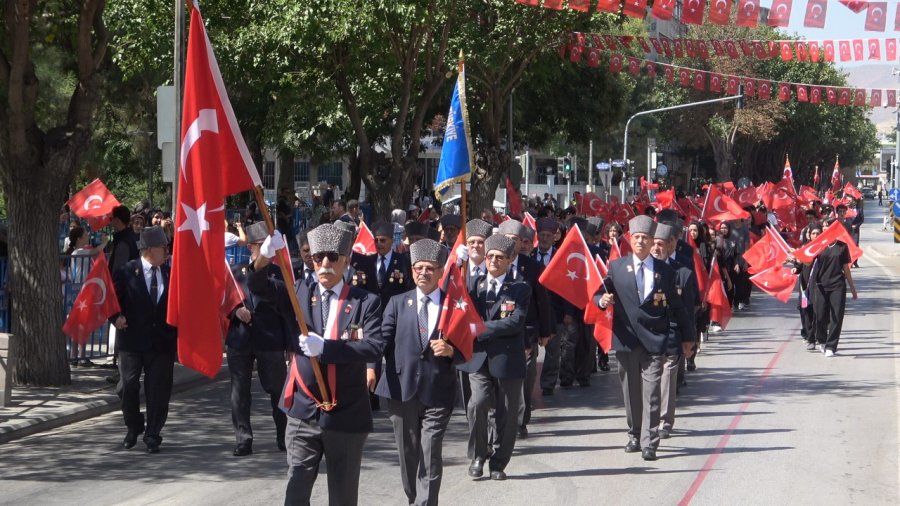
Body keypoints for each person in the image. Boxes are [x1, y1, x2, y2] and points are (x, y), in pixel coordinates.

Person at [248, 224, 385, 506]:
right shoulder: (298, 292)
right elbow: (257, 285)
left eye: (332, 257)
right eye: (318, 257)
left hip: (346, 413)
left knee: (343, 497)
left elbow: (373, 346)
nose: (324, 264)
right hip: (303, 411)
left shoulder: (365, 302)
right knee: (295, 493)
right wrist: (264, 255)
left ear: (346, 260)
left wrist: (326, 348)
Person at [595, 215, 693, 461]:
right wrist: (601, 300)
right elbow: (600, 291)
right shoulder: (617, 267)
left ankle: (651, 442)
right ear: (630, 239)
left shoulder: (665, 271)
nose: (640, 241)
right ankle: (635, 434)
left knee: (651, 392)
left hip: (654, 340)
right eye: (636, 237)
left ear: (652, 242)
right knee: (631, 392)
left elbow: (678, 306)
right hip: (626, 340)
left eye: (645, 238)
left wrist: (689, 337)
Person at [376, 239, 460, 506]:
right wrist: (364, 362)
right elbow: (381, 341)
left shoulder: (454, 304)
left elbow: (471, 346)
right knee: (408, 453)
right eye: (418, 268)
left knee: (430, 450)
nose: (423, 273)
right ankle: (414, 498)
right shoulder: (397, 303)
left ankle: (425, 502)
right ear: (412, 270)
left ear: (440, 271)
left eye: (430, 268)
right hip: (400, 389)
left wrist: (451, 351)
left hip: (438, 389)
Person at [458, 234, 530, 480]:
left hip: (507, 360)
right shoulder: (473, 285)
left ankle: (499, 462)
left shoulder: (520, 287)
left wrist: (481, 329)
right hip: (478, 358)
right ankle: (479, 454)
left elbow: (516, 321)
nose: (493, 261)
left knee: (507, 415)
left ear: (510, 260)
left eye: (500, 257)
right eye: (490, 257)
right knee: (477, 404)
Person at [225, 222, 293, 457]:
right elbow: (223, 302)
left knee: (277, 389)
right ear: (251, 247)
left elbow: (288, 311)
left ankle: (283, 435)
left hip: (270, 338)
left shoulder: (280, 272)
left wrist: (290, 345)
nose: (262, 250)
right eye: (258, 246)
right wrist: (235, 311)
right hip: (240, 339)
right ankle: (243, 439)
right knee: (239, 391)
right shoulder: (235, 272)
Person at [110, 226, 177, 454]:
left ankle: (152, 434)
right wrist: (115, 318)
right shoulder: (126, 271)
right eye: (162, 247)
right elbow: (112, 301)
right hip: (132, 339)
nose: (166, 251)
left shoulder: (171, 273)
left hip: (162, 341)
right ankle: (134, 425)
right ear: (148, 249)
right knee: (127, 386)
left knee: (158, 391)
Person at [498, 220, 553, 439]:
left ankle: (521, 420)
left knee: (525, 379)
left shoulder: (531, 267)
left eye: (518, 241)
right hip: (499, 333)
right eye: (509, 240)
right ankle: (503, 419)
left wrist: (545, 332)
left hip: (527, 332)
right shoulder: (491, 263)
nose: (513, 244)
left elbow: (542, 301)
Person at [650, 223, 697, 439]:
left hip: (671, 333)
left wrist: (689, 339)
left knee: (668, 377)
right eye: (654, 243)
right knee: (650, 379)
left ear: (671, 244)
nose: (656, 248)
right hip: (647, 334)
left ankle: (664, 422)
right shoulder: (640, 269)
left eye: (661, 244)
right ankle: (647, 420)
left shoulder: (684, 272)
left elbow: (688, 309)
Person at [798, 218, 859, 357]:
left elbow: (846, 269)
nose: (825, 229)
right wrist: (799, 257)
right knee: (820, 316)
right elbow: (808, 263)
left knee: (836, 317)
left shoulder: (842, 247)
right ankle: (822, 340)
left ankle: (831, 346)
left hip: (838, 285)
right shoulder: (818, 245)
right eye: (824, 226)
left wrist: (853, 289)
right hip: (820, 286)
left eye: (828, 226)